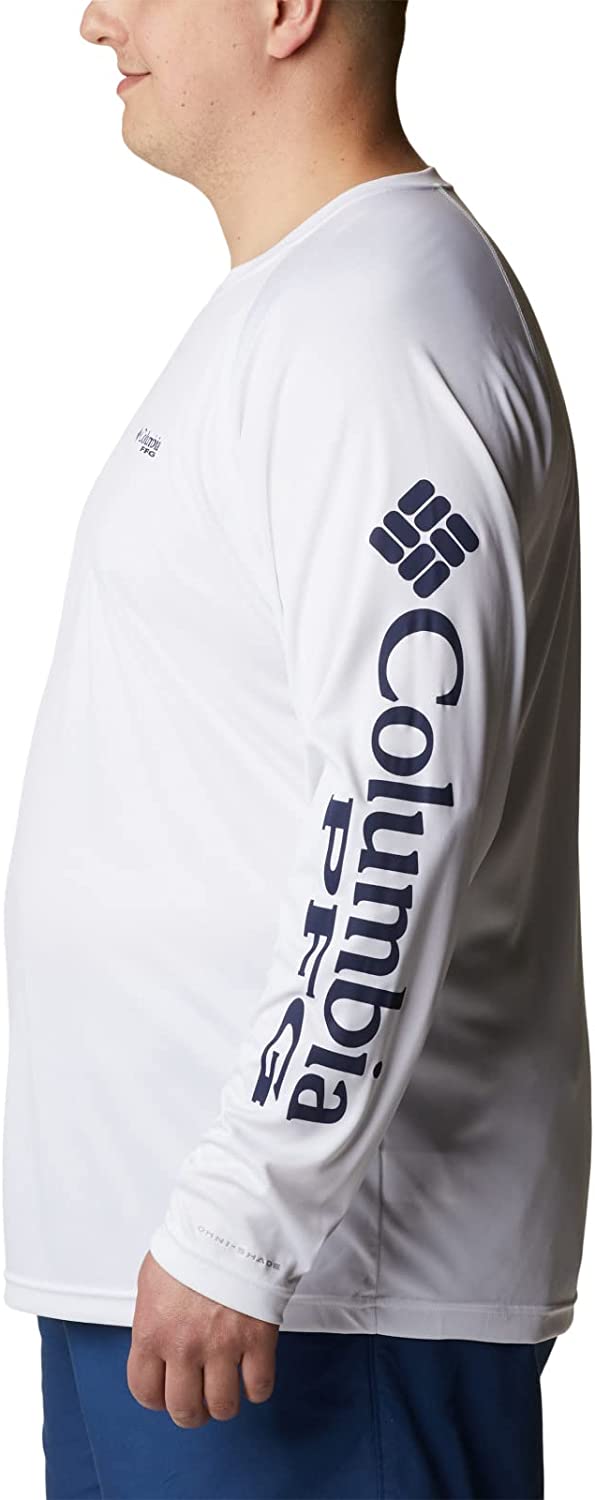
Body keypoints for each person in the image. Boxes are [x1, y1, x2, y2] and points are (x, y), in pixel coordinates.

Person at [2, 1, 590, 1496]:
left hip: (312, 1311)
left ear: (285, 8)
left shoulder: (377, 328)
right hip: (195, 1291)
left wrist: (243, 1218)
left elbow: (402, 796)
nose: (94, 19)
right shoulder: (303, 307)